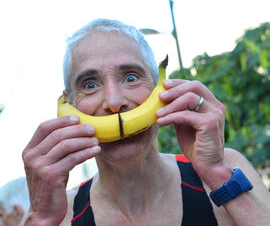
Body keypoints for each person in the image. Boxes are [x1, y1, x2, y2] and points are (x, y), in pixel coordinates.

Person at [21, 19, 270, 226]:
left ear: (160, 89)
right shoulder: (59, 216)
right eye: (90, 84)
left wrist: (217, 175)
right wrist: (42, 219)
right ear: (70, 106)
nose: (114, 102)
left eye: (131, 77)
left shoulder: (229, 171)